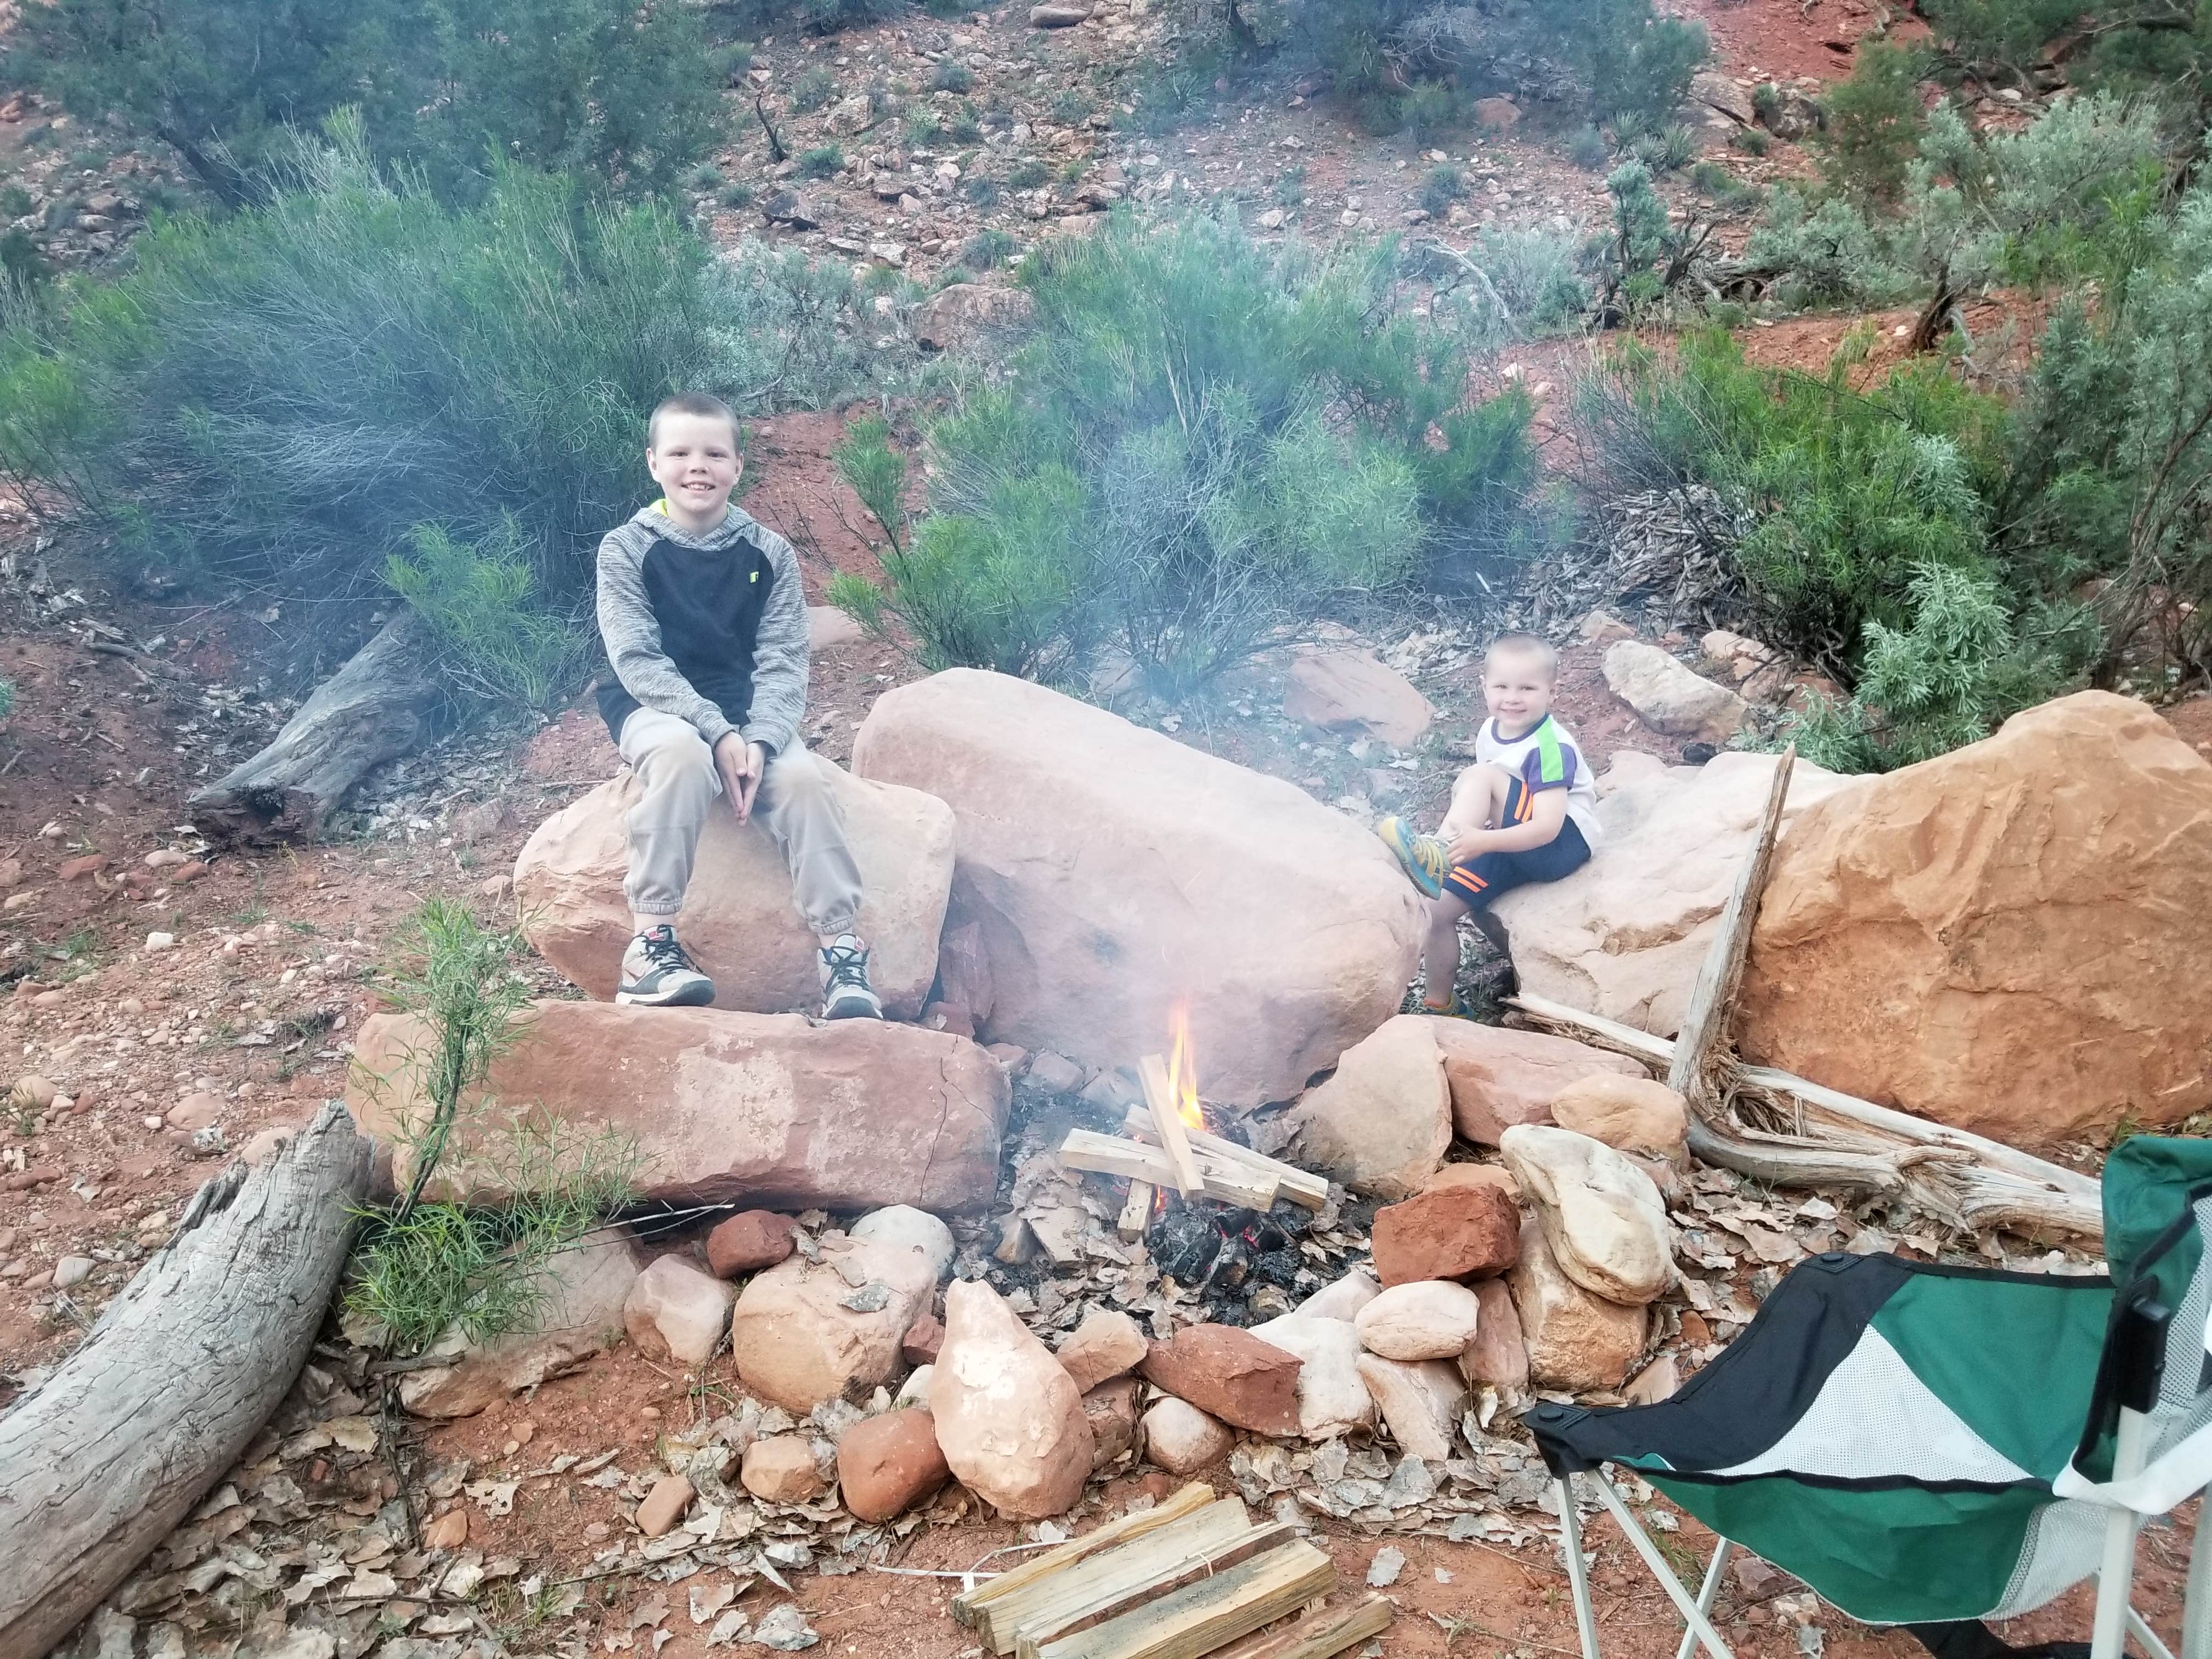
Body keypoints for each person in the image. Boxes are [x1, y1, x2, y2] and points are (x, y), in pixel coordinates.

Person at [594, 391, 881, 1019]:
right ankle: (649, 945)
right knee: (680, 759)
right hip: (656, 705)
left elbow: (783, 659)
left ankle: (841, 953)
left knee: (804, 782)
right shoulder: (626, 548)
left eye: (715, 453)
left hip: (748, 707)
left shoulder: (769, 553)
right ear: (653, 464)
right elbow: (637, 659)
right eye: (680, 452)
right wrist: (715, 734)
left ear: (737, 466)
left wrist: (761, 739)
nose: (698, 466)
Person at [1375, 633, 1599, 1015]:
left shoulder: (1549, 748)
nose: (1512, 697)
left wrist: (1482, 840)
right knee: (1436, 911)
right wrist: (1484, 835)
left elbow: (1548, 825)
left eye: (1528, 688)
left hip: (1560, 845)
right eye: (1502, 686)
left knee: (1479, 777)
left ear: (1552, 691)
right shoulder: (1489, 731)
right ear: (1484, 687)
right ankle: (1441, 1004)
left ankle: (1438, 852)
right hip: (1515, 841)